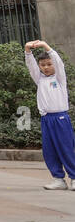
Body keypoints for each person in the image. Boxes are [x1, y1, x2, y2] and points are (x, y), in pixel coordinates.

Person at [24, 40, 75, 190]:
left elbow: (59, 63)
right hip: (46, 120)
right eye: (43, 65)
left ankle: (73, 177)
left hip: (60, 118)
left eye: (49, 64)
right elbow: (31, 66)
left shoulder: (59, 78)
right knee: (49, 150)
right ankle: (58, 178)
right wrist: (28, 50)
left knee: (66, 148)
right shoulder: (39, 79)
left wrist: (46, 46)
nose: (46, 67)